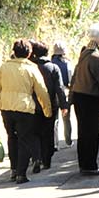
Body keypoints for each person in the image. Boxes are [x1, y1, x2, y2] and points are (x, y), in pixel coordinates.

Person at [0, 38, 51, 184]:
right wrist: (47, 110)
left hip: (6, 108)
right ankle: (21, 174)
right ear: (29, 54)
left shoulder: (4, 67)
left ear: (14, 52)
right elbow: (42, 91)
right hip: (25, 108)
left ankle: (13, 169)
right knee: (24, 140)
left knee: (12, 137)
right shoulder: (31, 68)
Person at [68, 25, 99, 176]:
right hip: (91, 99)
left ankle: (84, 164)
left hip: (79, 97)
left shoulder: (84, 54)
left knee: (83, 132)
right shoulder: (96, 57)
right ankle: (90, 166)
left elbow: (74, 77)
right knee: (92, 132)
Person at [32, 41, 66, 171]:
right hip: (50, 104)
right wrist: (64, 105)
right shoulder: (53, 67)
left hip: (33, 105)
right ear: (47, 53)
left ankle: (37, 157)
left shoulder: (30, 67)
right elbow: (59, 88)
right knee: (48, 132)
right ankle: (47, 160)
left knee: (35, 132)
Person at [50, 42, 74, 148]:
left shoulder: (50, 64)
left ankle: (55, 143)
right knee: (66, 118)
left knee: (55, 120)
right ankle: (68, 140)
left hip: (52, 94)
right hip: (65, 92)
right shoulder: (67, 64)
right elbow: (70, 80)